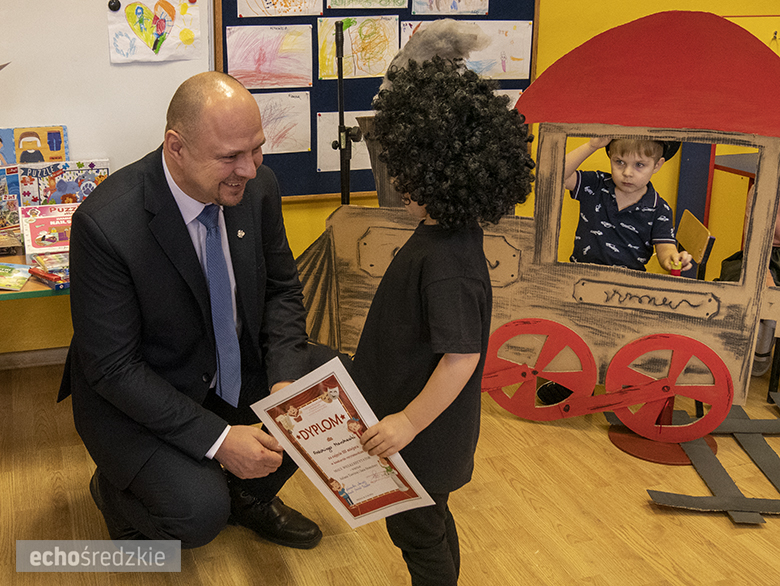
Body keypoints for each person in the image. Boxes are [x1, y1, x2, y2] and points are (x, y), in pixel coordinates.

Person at [57, 71, 322, 550]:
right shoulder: (104, 223)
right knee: (198, 516)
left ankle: (248, 495)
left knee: (332, 386)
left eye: (257, 149)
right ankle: (115, 494)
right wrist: (221, 440)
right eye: (230, 157)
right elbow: (114, 369)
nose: (249, 169)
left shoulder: (258, 187)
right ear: (176, 147)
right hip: (143, 391)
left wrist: (285, 383)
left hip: (227, 368)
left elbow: (281, 290)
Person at [350, 56, 535, 585]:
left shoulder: (448, 264)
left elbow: (462, 358)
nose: (399, 180)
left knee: (417, 533)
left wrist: (407, 422)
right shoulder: (448, 237)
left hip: (423, 439)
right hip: (421, 432)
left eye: (410, 170)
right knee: (431, 526)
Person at [537, 136, 693, 404]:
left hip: (626, 291)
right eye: (619, 162)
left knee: (619, 338)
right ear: (610, 157)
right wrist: (591, 146)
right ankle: (573, 380)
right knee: (572, 332)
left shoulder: (659, 208)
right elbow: (554, 172)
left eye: (640, 165)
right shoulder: (596, 185)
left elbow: (665, 248)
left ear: (657, 165)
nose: (627, 172)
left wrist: (673, 259)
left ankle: (611, 381)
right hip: (580, 282)